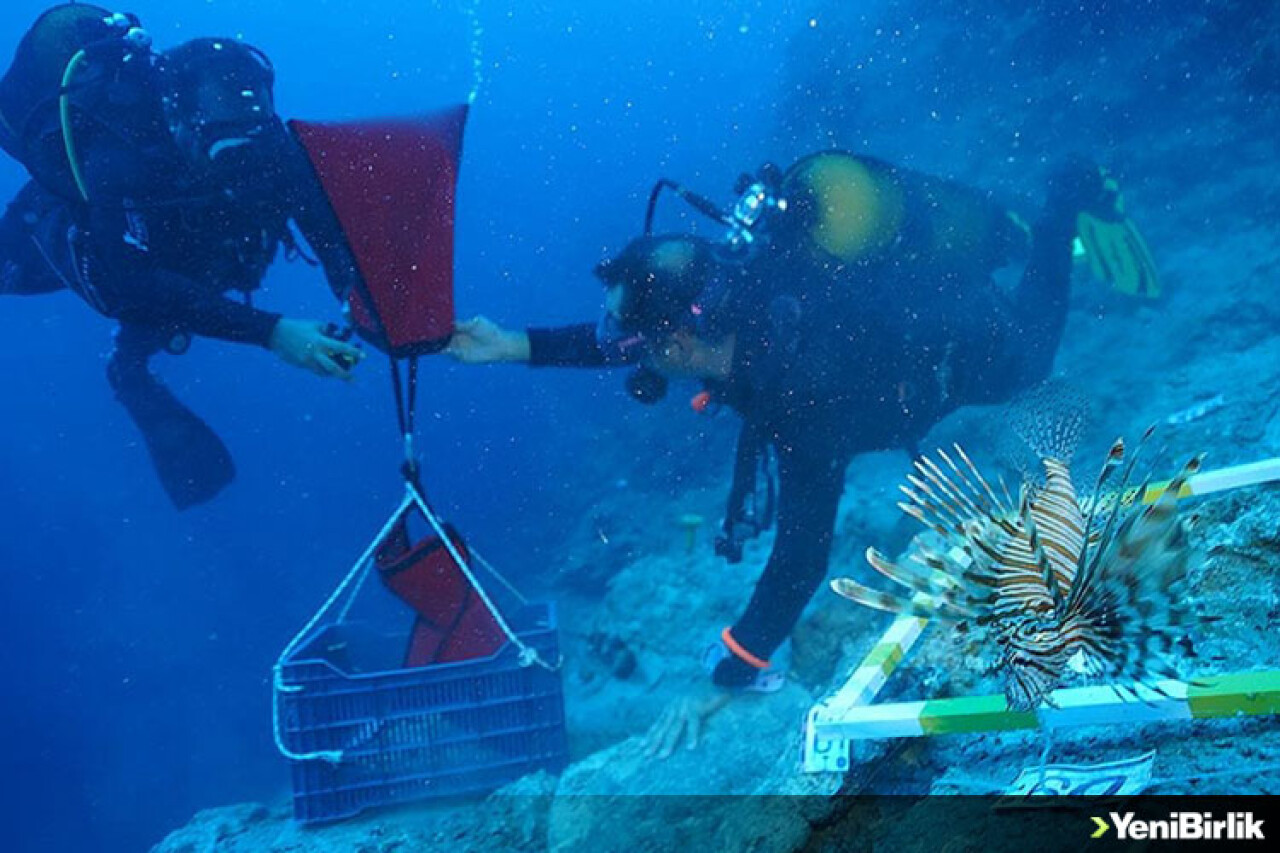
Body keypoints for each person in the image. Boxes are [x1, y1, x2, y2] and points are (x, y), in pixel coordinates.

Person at [447, 150, 1159, 755]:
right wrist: (515, 344)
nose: (630, 354)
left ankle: (1062, 201)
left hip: (966, 342)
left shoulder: (799, 396)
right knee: (1002, 302)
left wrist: (729, 671)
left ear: (683, 344)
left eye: (643, 346)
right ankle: (1021, 224)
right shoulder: (738, 283)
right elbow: (624, 337)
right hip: (918, 304)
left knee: (1029, 364)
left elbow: (801, 556)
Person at [1, 6, 364, 508]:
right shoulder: (118, 159)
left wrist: (360, 299)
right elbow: (132, 282)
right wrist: (273, 332)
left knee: (171, 288)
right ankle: (127, 368)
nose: (242, 155)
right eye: (222, 138)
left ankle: (132, 360)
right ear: (178, 115)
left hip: (184, 259)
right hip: (60, 239)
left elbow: (326, 232)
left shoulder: (269, 143)